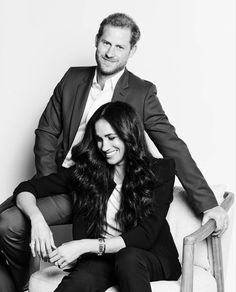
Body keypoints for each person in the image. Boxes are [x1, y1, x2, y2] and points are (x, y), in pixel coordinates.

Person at [0, 12, 227, 291]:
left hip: (108, 187)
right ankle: (22, 282)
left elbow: (172, 146)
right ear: (97, 42)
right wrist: (50, 187)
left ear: (132, 51)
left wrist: (207, 202)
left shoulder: (142, 92)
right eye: (106, 43)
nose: (110, 52)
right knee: (8, 223)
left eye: (119, 47)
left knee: (118, 260)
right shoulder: (72, 79)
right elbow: (46, 133)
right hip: (76, 179)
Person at [13, 101, 181, 292]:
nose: (104, 146)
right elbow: (26, 188)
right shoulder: (87, 174)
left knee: (128, 258)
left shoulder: (161, 170)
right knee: (79, 282)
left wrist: (83, 245)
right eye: (99, 139)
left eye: (111, 137)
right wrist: (37, 220)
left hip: (150, 257)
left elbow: (145, 236)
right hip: (102, 260)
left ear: (129, 134)